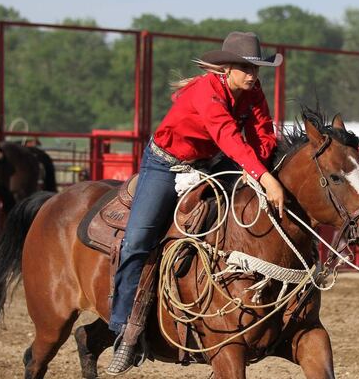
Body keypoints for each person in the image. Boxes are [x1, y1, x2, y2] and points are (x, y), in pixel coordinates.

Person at [106, 32, 286, 375]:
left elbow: (263, 131)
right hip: (167, 162)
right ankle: (123, 329)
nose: (253, 75)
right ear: (226, 69)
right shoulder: (206, 92)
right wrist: (264, 177)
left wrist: (259, 167)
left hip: (213, 161)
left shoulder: (252, 91)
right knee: (138, 240)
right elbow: (228, 137)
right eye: (246, 68)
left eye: (256, 69)